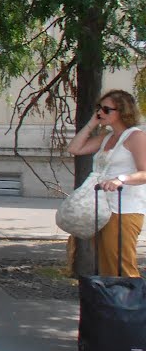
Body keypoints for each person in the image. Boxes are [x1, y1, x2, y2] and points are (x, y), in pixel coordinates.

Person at [67, 89, 146, 277]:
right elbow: (74, 148)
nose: (100, 112)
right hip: (102, 208)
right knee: (105, 265)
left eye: (106, 109)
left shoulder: (136, 137)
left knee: (121, 264)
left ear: (123, 111)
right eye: (98, 109)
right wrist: (92, 123)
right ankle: (110, 305)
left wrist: (121, 179)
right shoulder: (107, 137)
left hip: (124, 208)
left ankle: (131, 304)